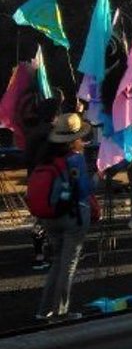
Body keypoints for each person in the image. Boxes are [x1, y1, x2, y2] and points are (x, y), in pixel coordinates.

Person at [34, 113, 96, 321]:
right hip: (73, 216)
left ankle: (44, 310)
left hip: (50, 216)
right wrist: (100, 176)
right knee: (68, 265)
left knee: (57, 262)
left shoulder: (47, 157)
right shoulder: (75, 159)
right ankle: (61, 312)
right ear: (75, 138)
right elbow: (85, 189)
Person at [24, 96, 63, 271]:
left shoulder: (32, 132)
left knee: (39, 217)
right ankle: (58, 251)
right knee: (57, 216)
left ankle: (39, 254)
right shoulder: (55, 133)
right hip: (53, 180)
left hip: (34, 179)